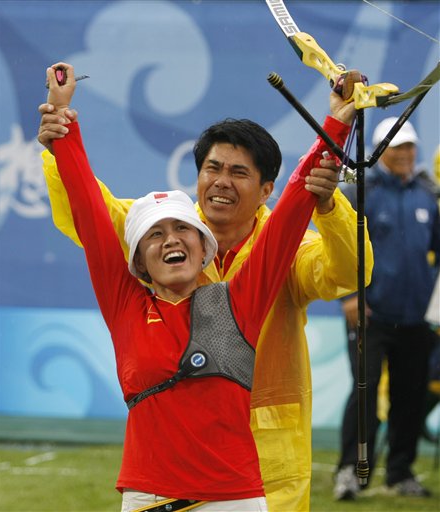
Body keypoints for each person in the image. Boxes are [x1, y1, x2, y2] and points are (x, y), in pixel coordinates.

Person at [38, 67, 372, 512]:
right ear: (136, 257)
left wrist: (332, 153)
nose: (170, 239)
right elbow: (91, 214)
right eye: (212, 168)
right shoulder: (140, 276)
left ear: (265, 189)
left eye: (238, 172)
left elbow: (312, 229)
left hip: (259, 469)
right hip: (152, 488)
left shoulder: (254, 285)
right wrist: (61, 129)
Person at [334, 117, 440, 500]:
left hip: (416, 320)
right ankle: (349, 471)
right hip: (370, 316)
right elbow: (340, 248)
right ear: (381, 153)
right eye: (397, 148)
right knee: (363, 394)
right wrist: (348, 296)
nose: (406, 155)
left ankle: (400, 473)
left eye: (410, 147)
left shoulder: (428, 195)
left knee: (410, 396)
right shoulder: (361, 192)